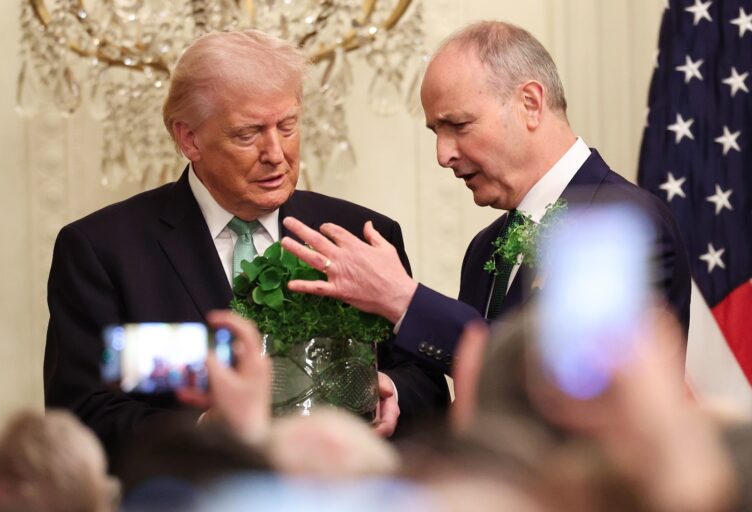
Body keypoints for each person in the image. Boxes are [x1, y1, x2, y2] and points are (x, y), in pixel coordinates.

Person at [44, 30, 449, 462]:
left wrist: (391, 392)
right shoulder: (103, 251)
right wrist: (205, 431)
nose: (276, 152)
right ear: (189, 139)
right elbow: (80, 416)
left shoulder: (359, 232)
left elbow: (427, 383)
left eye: (288, 126)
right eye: (247, 133)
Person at [280, 20, 691, 374]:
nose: (444, 155)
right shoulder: (484, 249)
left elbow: (564, 381)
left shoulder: (623, 223)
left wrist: (404, 299)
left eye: (458, 125)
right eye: (436, 133)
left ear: (530, 103)